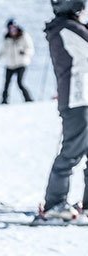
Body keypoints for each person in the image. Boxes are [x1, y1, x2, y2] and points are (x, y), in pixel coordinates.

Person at [39, 0, 88, 221]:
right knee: (71, 152)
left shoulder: (65, 28)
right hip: (78, 99)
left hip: (81, 98)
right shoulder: (67, 28)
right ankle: (54, 203)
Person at [0, 18, 34, 104]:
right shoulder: (7, 39)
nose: (13, 30)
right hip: (10, 65)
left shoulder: (23, 36)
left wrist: (25, 52)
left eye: (14, 27)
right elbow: (3, 51)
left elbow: (31, 49)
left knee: (20, 83)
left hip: (21, 63)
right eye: (10, 28)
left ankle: (28, 99)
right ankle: (4, 101)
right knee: (6, 84)